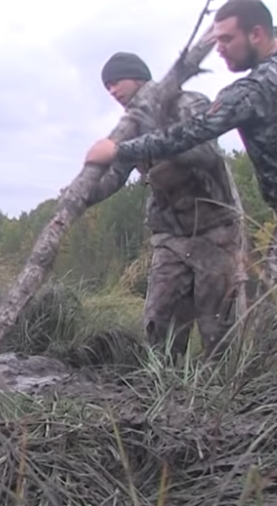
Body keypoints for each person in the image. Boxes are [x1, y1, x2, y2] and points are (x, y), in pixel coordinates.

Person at [85, 0, 277, 317]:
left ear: (257, 34)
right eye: (216, 41)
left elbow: (192, 134)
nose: (219, 49)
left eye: (227, 40)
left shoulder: (248, 93)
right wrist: (230, 27)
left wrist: (118, 149)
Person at [89, 51, 244, 360]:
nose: (112, 91)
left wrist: (150, 147)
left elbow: (205, 153)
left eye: (115, 82)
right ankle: (164, 397)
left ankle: (222, 400)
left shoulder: (188, 103)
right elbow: (116, 175)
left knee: (218, 329)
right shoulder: (128, 129)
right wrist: (81, 196)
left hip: (217, 232)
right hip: (170, 237)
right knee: (160, 325)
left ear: (138, 77)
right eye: (106, 87)